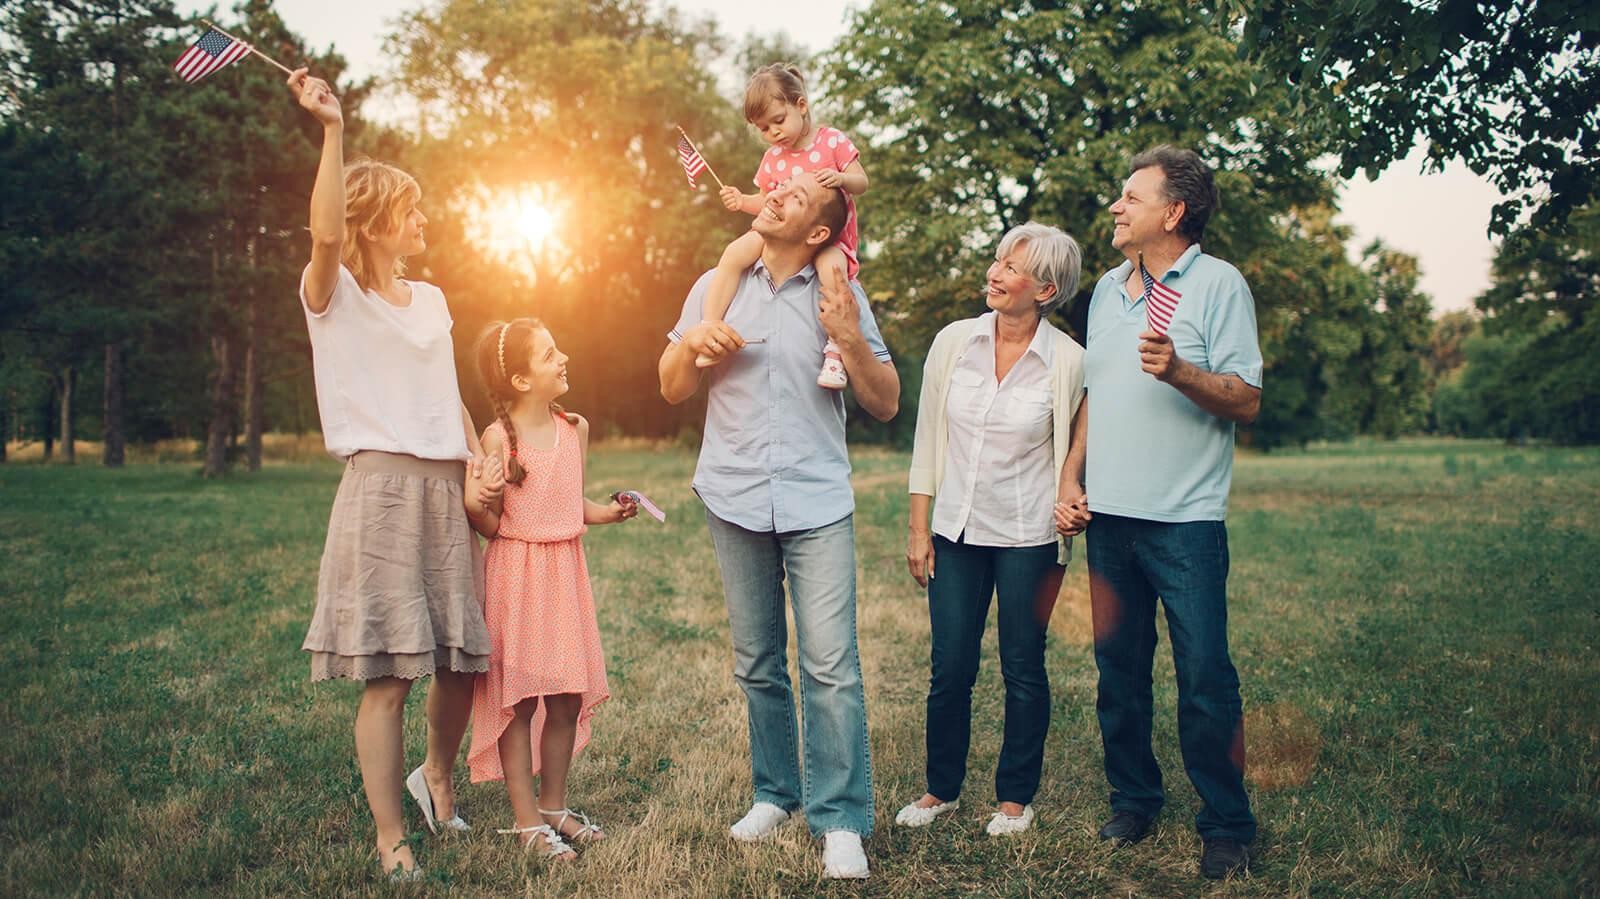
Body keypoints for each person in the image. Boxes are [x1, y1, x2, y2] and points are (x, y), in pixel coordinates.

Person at [287, 67, 500, 881]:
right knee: (388, 678)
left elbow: (444, 393)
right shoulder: (332, 292)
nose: (424, 220)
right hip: (378, 491)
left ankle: (437, 779)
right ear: (375, 221)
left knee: (457, 657)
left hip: (447, 487)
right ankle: (390, 839)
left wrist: (483, 451)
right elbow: (327, 234)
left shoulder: (436, 299)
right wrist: (333, 129)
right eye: (410, 209)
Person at [657, 171, 899, 879]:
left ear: (819, 233)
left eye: (793, 200)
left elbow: (884, 401)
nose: (776, 198)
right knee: (757, 661)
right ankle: (775, 793)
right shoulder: (718, 281)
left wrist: (848, 338)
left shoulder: (840, 292)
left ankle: (842, 818)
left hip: (816, 498)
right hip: (732, 493)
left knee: (830, 666)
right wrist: (694, 340)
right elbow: (672, 385)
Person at [1077, 145, 1263, 879]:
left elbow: (1246, 398)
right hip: (1109, 517)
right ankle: (1134, 799)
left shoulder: (1219, 285)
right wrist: (1071, 475)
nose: (1117, 207)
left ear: (1173, 212)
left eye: (1131, 197)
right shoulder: (1104, 292)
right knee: (1118, 672)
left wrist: (1181, 371)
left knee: (1204, 676)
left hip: (1184, 519)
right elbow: (1096, 394)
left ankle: (1226, 823)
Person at [899, 222, 1087, 836]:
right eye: (998, 259)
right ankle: (940, 790)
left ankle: (1014, 798)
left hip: (1030, 537)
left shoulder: (1069, 362)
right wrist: (918, 528)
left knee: (1023, 666)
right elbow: (928, 438)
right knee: (950, 666)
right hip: (955, 530)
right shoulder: (954, 342)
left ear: (1047, 288)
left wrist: (1074, 496)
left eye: (1012, 266)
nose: (995, 271)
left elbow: (1078, 451)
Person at [465, 317, 639, 860]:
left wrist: (607, 514)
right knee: (518, 704)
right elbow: (488, 521)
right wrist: (478, 497)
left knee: (564, 698)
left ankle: (554, 806)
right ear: (520, 380)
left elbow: (570, 503)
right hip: (517, 578)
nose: (563, 358)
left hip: (565, 574)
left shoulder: (574, 429)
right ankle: (525, 824)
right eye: (548, 354)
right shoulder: (498, 438)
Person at [700, 63, 870, 390]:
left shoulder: (831, 141)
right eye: (763, 128)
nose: (773, 133)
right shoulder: (773, 158)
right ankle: (710, 327)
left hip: (828, 238)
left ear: (801, 106)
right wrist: (742, 201)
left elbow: (862, 181)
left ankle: (835, 353)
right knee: (734, 253)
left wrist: (842, 178)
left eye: (778, 121)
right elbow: (767, 200)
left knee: (834, 273)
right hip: (784, 237)